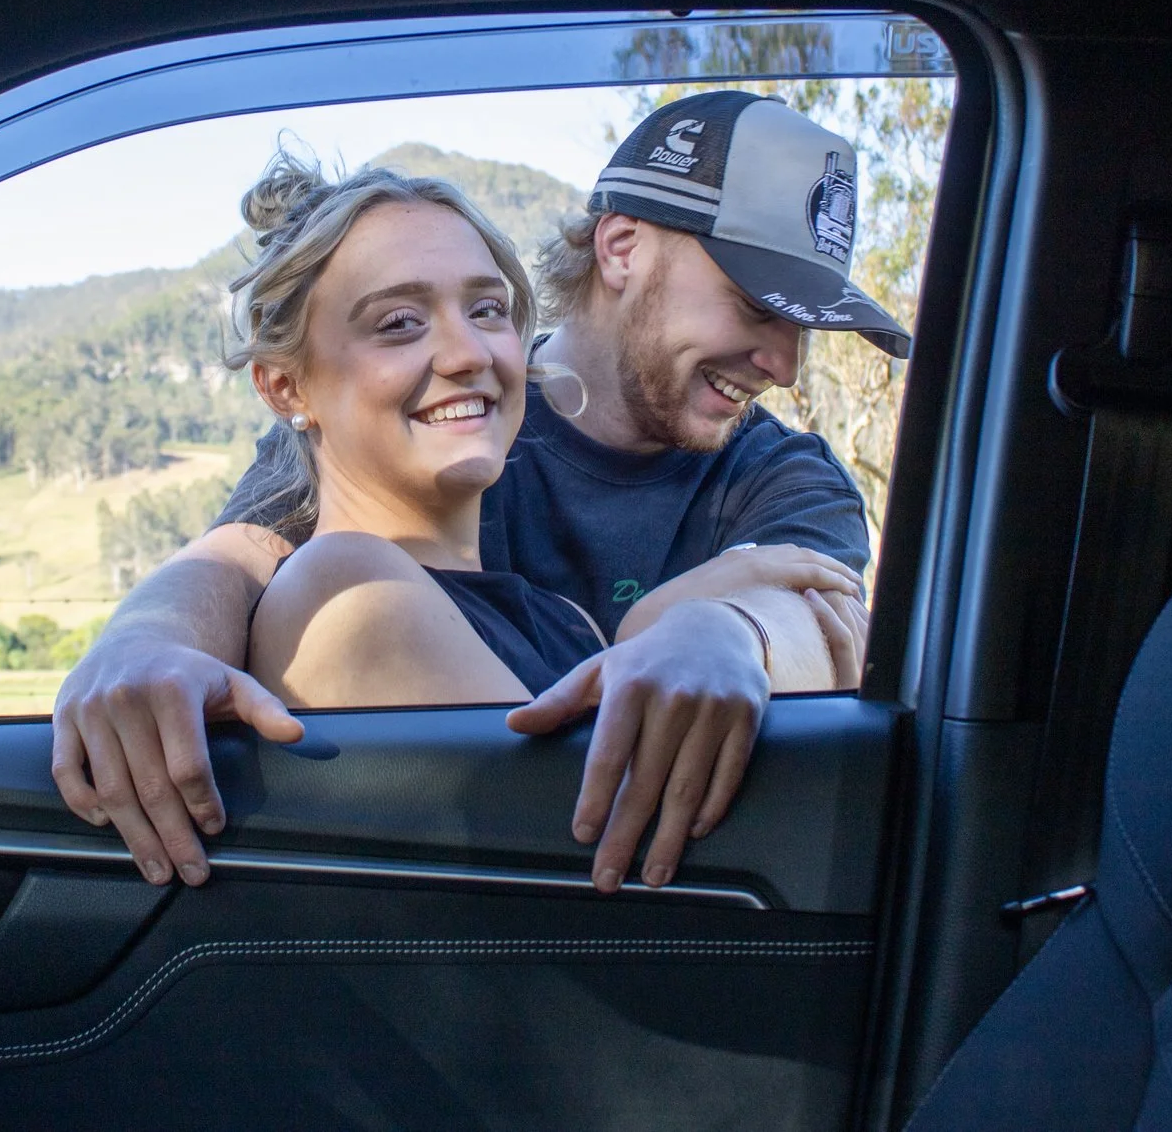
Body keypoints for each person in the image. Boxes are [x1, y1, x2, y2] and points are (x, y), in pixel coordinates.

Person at [51, 90, 913, 893]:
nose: (787, 367)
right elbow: (249, 556)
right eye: (757, 305)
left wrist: (725, 632)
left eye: (490, 309)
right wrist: (141, 640)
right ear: (620, 247)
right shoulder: (425, 437)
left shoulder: (781, 475)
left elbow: (827, 626)